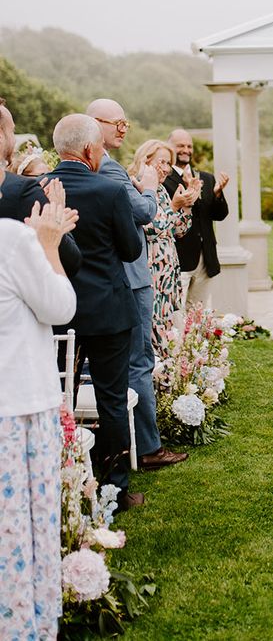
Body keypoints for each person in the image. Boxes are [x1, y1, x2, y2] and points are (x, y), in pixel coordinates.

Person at [47, 113, 144, 511]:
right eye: (101, 146)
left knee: (57, 397)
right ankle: (114, 490)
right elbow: (131, 250)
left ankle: (59, 480)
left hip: (55, 313)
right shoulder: (109, 191)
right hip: (107, 313)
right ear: (89, 149)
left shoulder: (37, 190)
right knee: (111, 401)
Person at [87, 99, 187, 471]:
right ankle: (146, 446)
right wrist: (146, 188)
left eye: (127, 123)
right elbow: (145, 214)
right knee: (139, 361)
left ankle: (122, 442)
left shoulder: (93, 168)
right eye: (119, 123)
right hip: (131, 277)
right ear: (96, 124)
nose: (124, 129)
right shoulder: (111, 171)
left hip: (103, 279)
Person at [0, 190, 77, 641]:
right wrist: (48, 245)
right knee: (19, 533)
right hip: (16, 409)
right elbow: (61, 307)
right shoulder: (11, 239)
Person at [127, 140, 196, 358]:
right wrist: (174, 207)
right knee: (153, 332)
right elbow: (152, 228)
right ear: (145, 160)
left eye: (169, 163)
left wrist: (185, 205)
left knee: (167, 332)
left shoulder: (161, 191)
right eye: (161, 162)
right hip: (151, 271)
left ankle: (167, 381)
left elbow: (178, 231)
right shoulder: (136, 187)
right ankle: (156, 383)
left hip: (168, 274)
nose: (166, 168)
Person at [0, 97, 81, 278]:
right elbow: (71, 261)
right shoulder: (24, 191)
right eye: (12, 131)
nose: (14, 139)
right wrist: (56, 211)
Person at [166, 129, 229, 309]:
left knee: (198, 313)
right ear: (170, 148)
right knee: (176, 312)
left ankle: (197, 338)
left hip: (205, 257)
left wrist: (217, 194)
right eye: (180, 146)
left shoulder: (206, 178)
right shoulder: (164, 179)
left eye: (189, 146)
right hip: (179, 257)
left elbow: (220, 215)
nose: (186, 150)